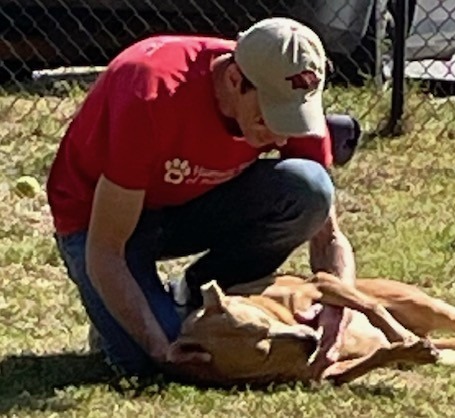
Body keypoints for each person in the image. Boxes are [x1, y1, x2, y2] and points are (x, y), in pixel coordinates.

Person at [46, 17, 360, 381]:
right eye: (267, 117)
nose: (279, 136)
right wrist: (158, 347)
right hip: (99, 221)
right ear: (234, 80)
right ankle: (130, 315)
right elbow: (105, 250)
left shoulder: (288, 97)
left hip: (192, 203)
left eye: (291, 118)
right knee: (162, 363)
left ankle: (195, 294)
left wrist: (339, 311)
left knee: (311, 188)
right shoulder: (152, 93)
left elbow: (329, 236)